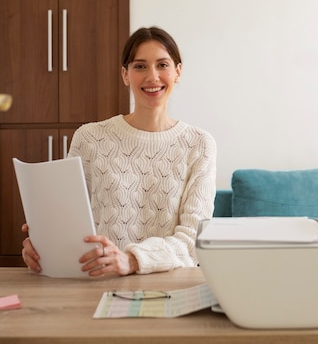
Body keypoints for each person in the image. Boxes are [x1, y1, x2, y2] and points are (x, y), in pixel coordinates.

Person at [21, 26, 217, 276]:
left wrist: (132, 260)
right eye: (140, 66)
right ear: (125, 74)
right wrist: (43, 244)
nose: (153, 76)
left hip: (169, 286)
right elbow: (70, 223)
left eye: (162, 65)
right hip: (98, 282)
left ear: (177, 72)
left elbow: (192, 242)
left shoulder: (200, 145)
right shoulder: (90, 138)